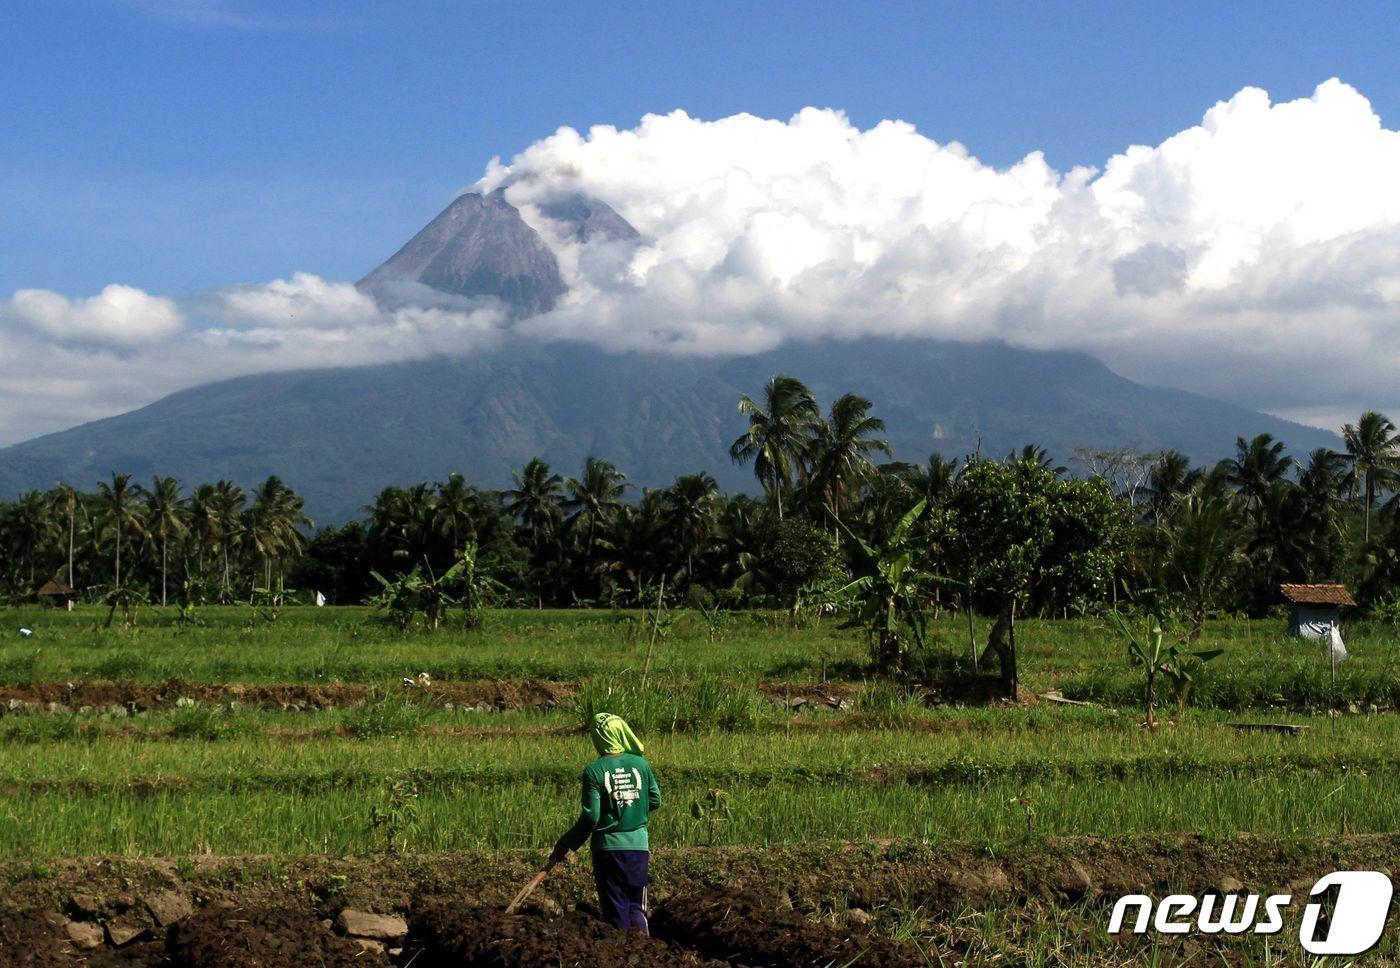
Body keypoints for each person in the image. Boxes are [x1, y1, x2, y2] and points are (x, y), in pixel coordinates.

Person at [549, 712, 661, 933]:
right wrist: (632, 811)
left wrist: (566, 844)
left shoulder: (594, 770)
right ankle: (646, 953)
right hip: (638, 848)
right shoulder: (641, 764)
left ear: (598, 738)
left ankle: (620, 953)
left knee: (615, 907)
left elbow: (591, 817)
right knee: (637, 908)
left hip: (607, 850)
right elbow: (655, 799)